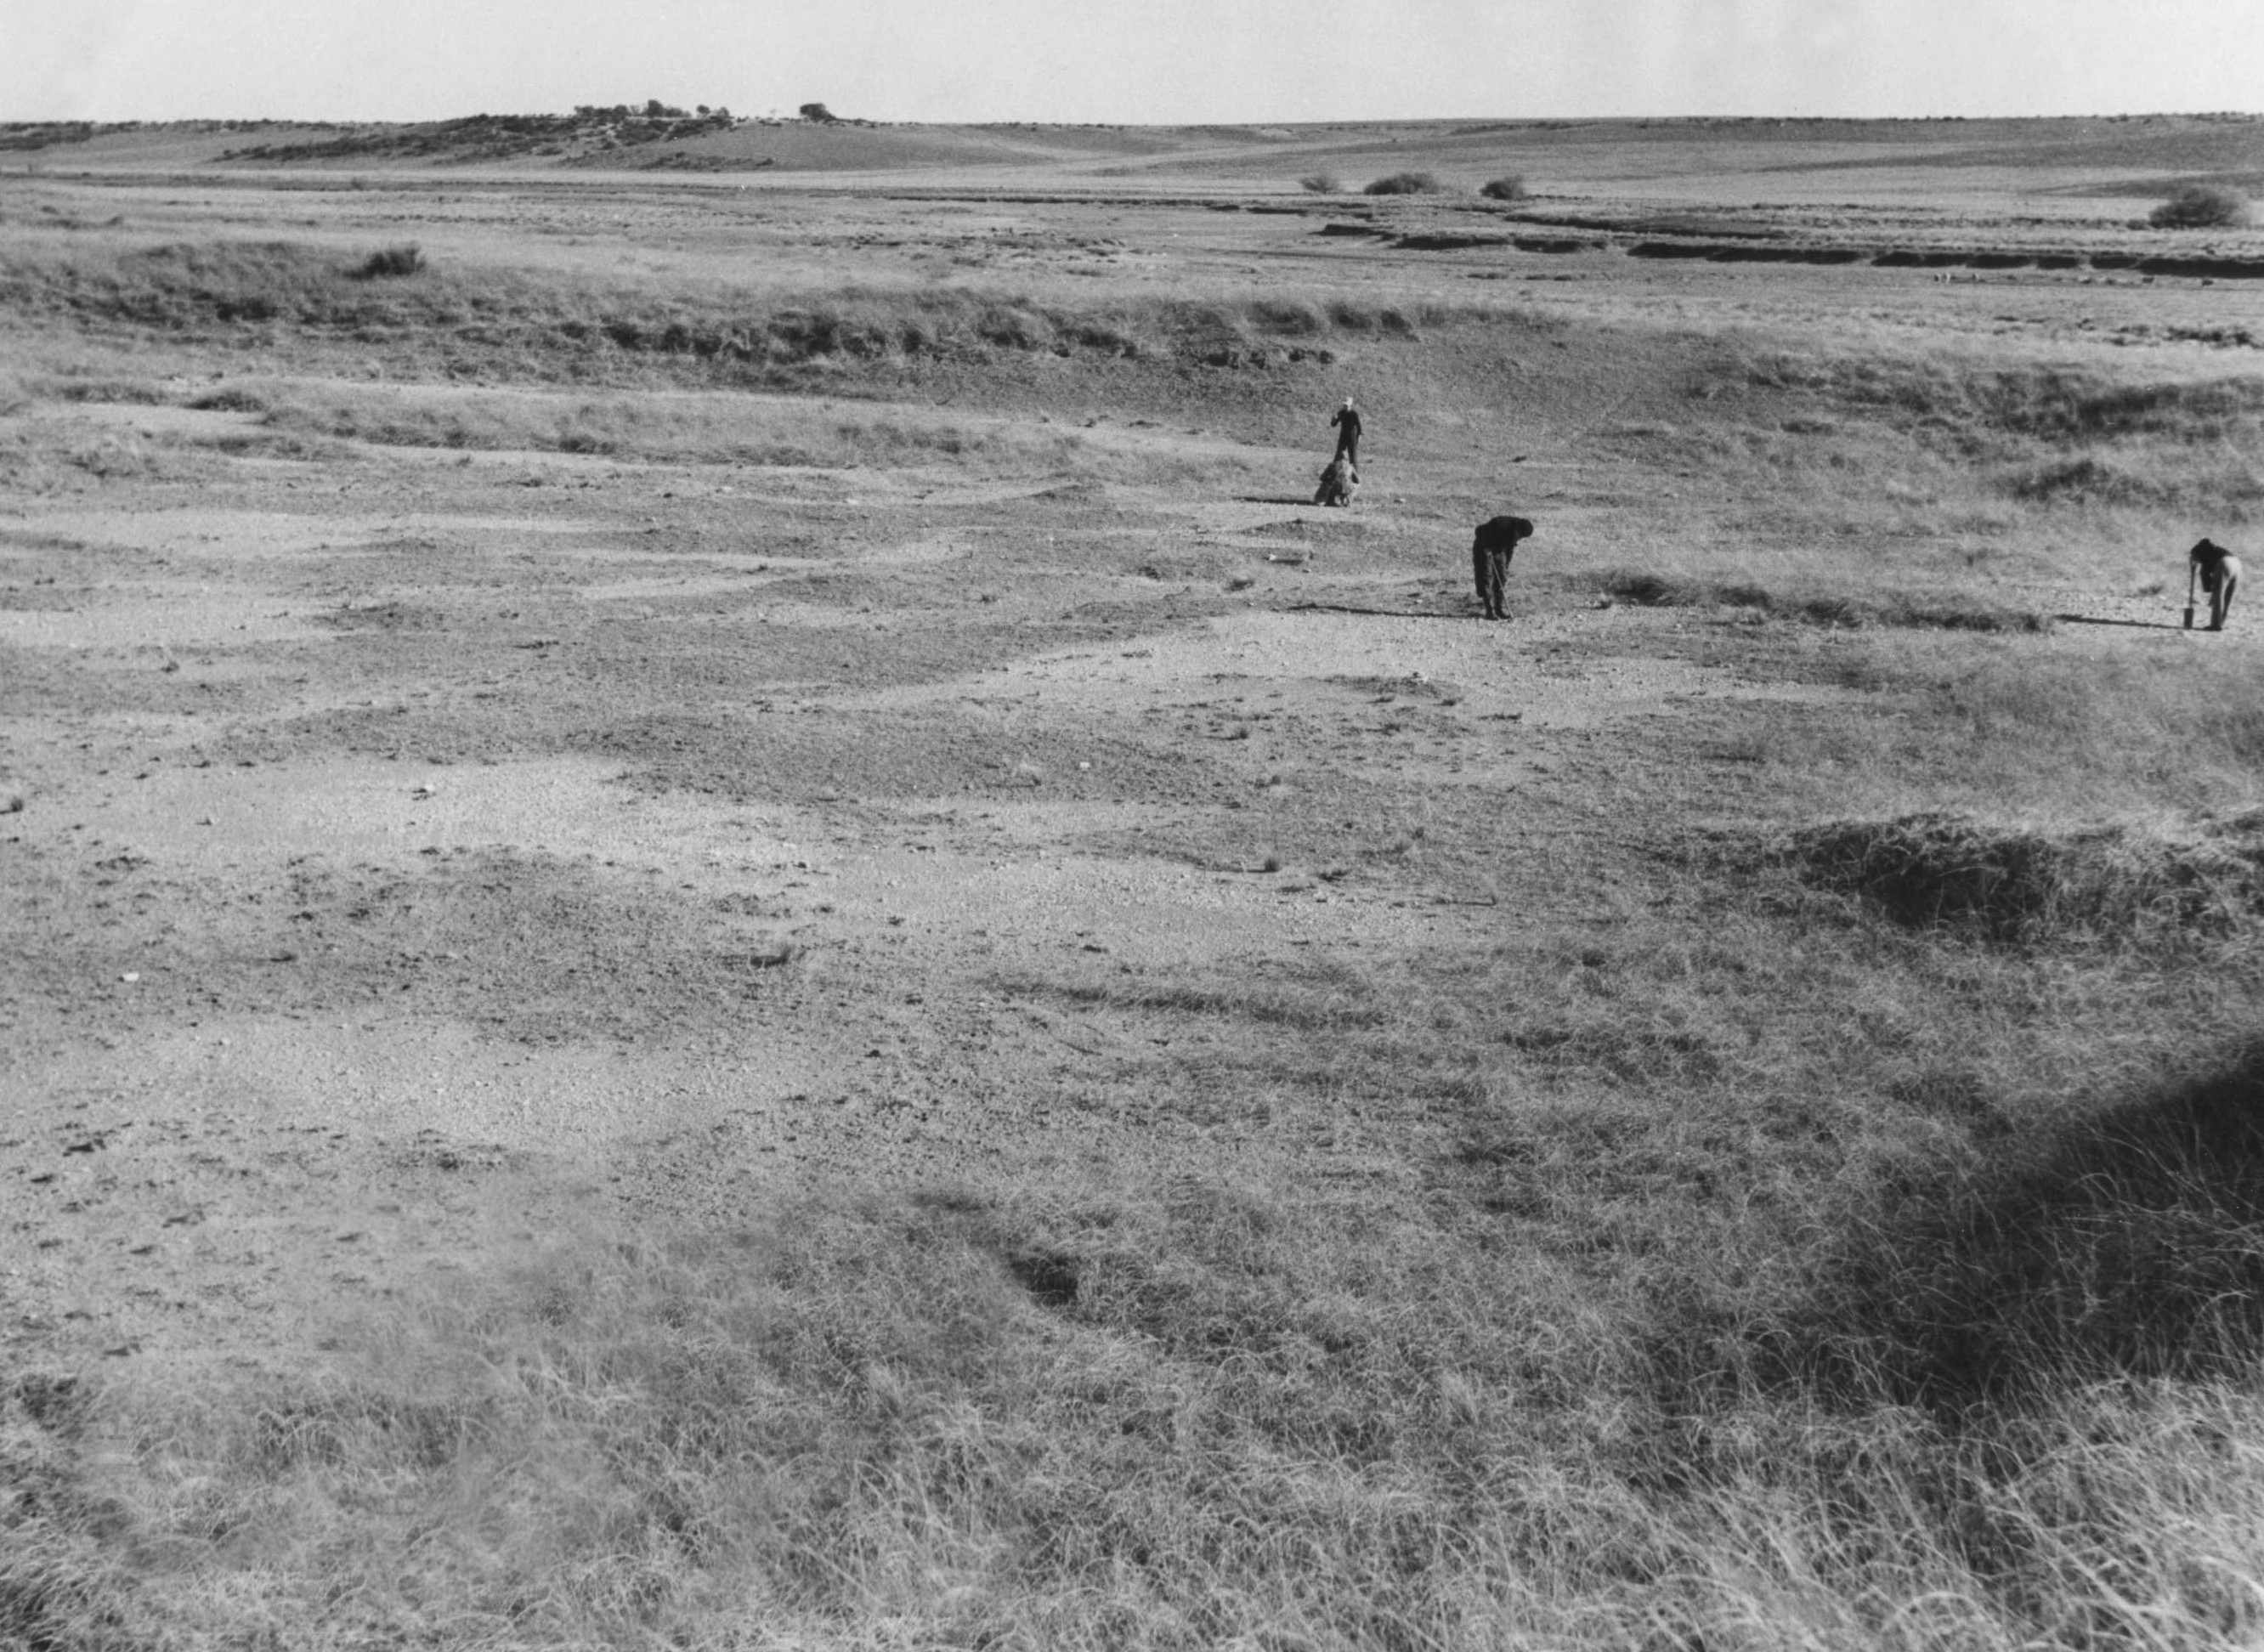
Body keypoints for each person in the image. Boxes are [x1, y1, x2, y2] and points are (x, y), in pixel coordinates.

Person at [1472, 515, 1534, 620]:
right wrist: (1485, 546)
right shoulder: (1500, 524)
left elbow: (1510, 549)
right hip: (1484, 548)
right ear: (1517, 529)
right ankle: (1489, 611)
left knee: (1502, 578)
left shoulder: (1516, 531)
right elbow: (1479, 530)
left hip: (1499, 550)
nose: (1519, 538)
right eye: (1520, 536)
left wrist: (1506, 565)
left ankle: (1499, 610)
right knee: (1486, 578)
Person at [2190, 538, 2242, 631]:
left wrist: (2212, 593)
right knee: (2228, 597)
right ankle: (2221, 623)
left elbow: (2205, 577)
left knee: (2219, 596)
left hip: (2225, 564)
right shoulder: (2215, 550)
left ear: (2198, 554)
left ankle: (2215, 625)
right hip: (2237, 564)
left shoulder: (2205, 557)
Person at [1329, 398, 1362, 470]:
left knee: (1352, 456)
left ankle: (1354, 473)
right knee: (1339, 453)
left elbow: (1358, 425)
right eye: (1344, 405)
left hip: (1352, 437)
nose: (1345, 407)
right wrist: (1333, 419)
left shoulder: (1354, 414)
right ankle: (1334, 470)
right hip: (1343, 436)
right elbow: (1333, 424)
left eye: (1346, 405)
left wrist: (1359, 435)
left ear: (1350, 405)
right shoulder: (1341, 412)